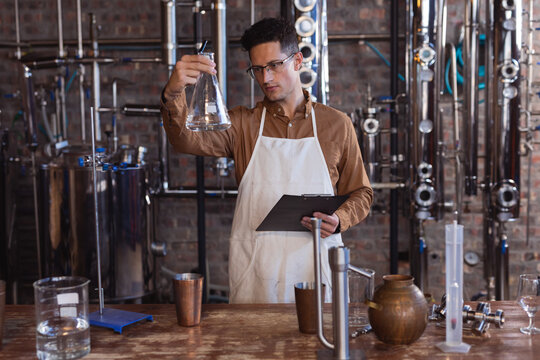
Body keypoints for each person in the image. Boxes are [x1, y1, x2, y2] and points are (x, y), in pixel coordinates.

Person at [160, 17, 372, 304]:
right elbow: (184, 138)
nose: (266, 79)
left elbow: (361, 193)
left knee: (316, 346)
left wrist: (339, 219)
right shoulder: (242, 125)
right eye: (257, 69)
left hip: (317, 272)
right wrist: (173, 92)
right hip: (258, 274)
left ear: (297, 61)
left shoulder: (337, 124)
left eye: (274, 66)